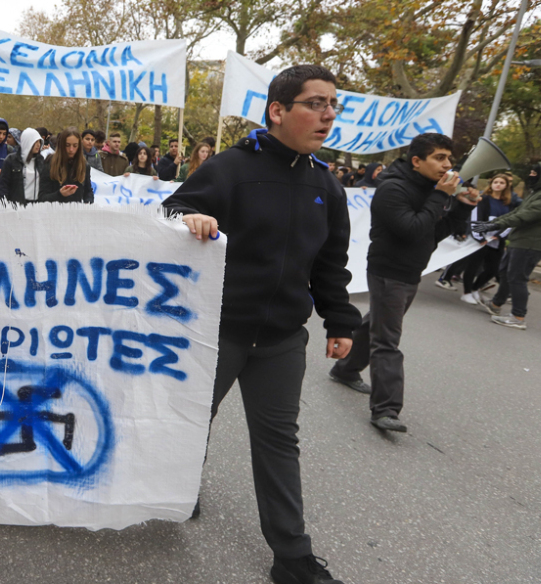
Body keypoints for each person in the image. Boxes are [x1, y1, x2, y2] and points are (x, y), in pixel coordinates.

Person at [162, 65, 361, 584]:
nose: (328, 114)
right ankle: (177, 490)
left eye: (332, 104)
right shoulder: (230, 168)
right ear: (278, 110)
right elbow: (171, 209)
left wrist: (340, 319)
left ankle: (292, 558)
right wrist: (189, 219)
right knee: (188, 425)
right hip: (216, 332)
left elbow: (329, 264)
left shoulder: (327, 185)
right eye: (315, 103)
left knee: (278, 442)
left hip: (280, 342)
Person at [328, 133, 477, 433]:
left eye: (449, 158)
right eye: (439, 158)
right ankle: (385, 410)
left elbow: (432, 234)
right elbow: (411, 230)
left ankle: (345, 369)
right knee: (387, 341)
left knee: (378, 322)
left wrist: (460, 206)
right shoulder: (392, 188)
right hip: (389, 272)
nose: (447, 165)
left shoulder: (427, 188)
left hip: (410, 272)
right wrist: (441, 196)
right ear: (417, 161)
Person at [475, 162, 541, 329]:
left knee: (517, 278)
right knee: (505, 272)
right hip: (521, 239)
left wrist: (495, 225)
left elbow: (528, 215)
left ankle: (518, 316)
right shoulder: (540, 192)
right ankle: (496, 304)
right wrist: (494, 223)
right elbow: (516, 212)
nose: (531, 175)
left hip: (533, 242)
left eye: (535, 173)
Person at [458, 174, 513, 304]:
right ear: (491, 184)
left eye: (501, 182)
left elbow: (511, 221)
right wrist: (479, 236)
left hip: (496, 240)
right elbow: (475, 217)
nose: (498, 184)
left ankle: (475, 288)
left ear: (506, 186)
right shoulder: (484, 199)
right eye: (496, 182)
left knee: (493, 269)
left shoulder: (508, 204)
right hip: (481, 238)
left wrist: (500, 235)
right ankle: (466, 292)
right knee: (473, 266)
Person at [40, 127, 94, 204]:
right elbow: (42, 197)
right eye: (67, 145)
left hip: (76, 212)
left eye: (75, 146)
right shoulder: (50, 162)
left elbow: (88, 191)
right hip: (54, 212)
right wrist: (60, 194)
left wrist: (88, 202)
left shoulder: (84, 165)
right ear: (61, 145)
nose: (71, 149)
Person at [0, 128, 44, 204]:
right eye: (35, 142)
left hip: (36, 205)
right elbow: (3, 186)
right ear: (27, 142)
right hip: (17, 205)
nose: (38, 145)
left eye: (40, 142)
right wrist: (4, 205)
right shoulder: (11, 160)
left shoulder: (41, 161)